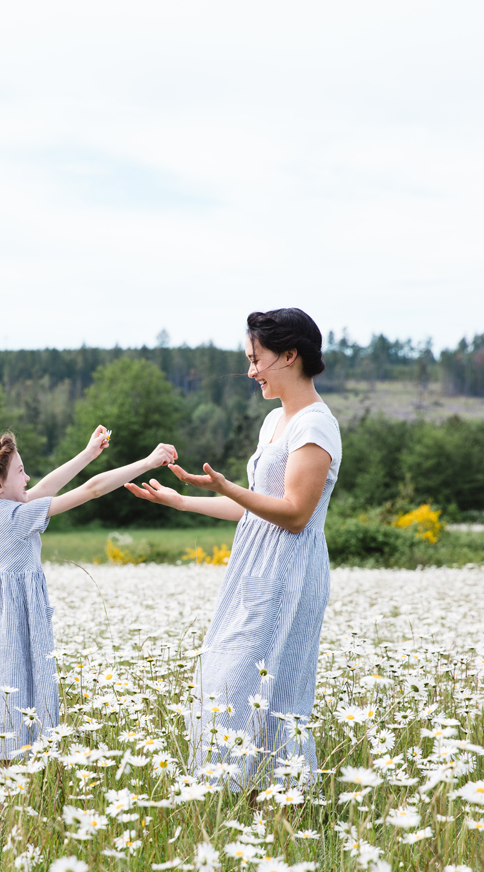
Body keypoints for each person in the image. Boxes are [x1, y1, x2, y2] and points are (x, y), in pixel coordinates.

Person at [126, 308, 341, 788]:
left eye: (256, 358)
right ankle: (240, 798)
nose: (250, 371)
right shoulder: (274, 423)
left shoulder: (316, 427)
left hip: (289, 572)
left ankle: (276, 806)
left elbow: (294, 513)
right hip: (255, 568)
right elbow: (256, 512)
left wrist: (228, 488)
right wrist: (184, 501)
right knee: (230, 684)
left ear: (290, 355)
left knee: (265, 690)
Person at [0, 427, 177, 765]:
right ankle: (8, 816)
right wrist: (147, 462)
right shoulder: (16, 517)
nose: (28, 476)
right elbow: (91, 490)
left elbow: (44, 487)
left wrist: (89, 453)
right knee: (7, 734)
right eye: (20, 471)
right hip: (7, 637)